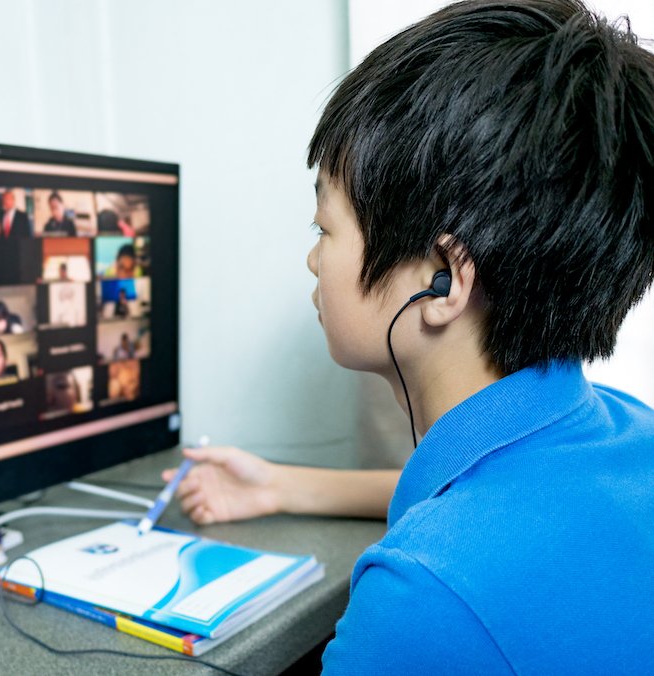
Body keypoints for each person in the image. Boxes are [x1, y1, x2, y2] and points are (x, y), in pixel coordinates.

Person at [164, 2, 654, 673]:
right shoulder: (629, 432)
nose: (313, 260)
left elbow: (462, 550)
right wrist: (279, 487)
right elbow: (481, 488)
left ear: (444, 278)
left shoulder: (426, 598)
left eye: (324, 228)